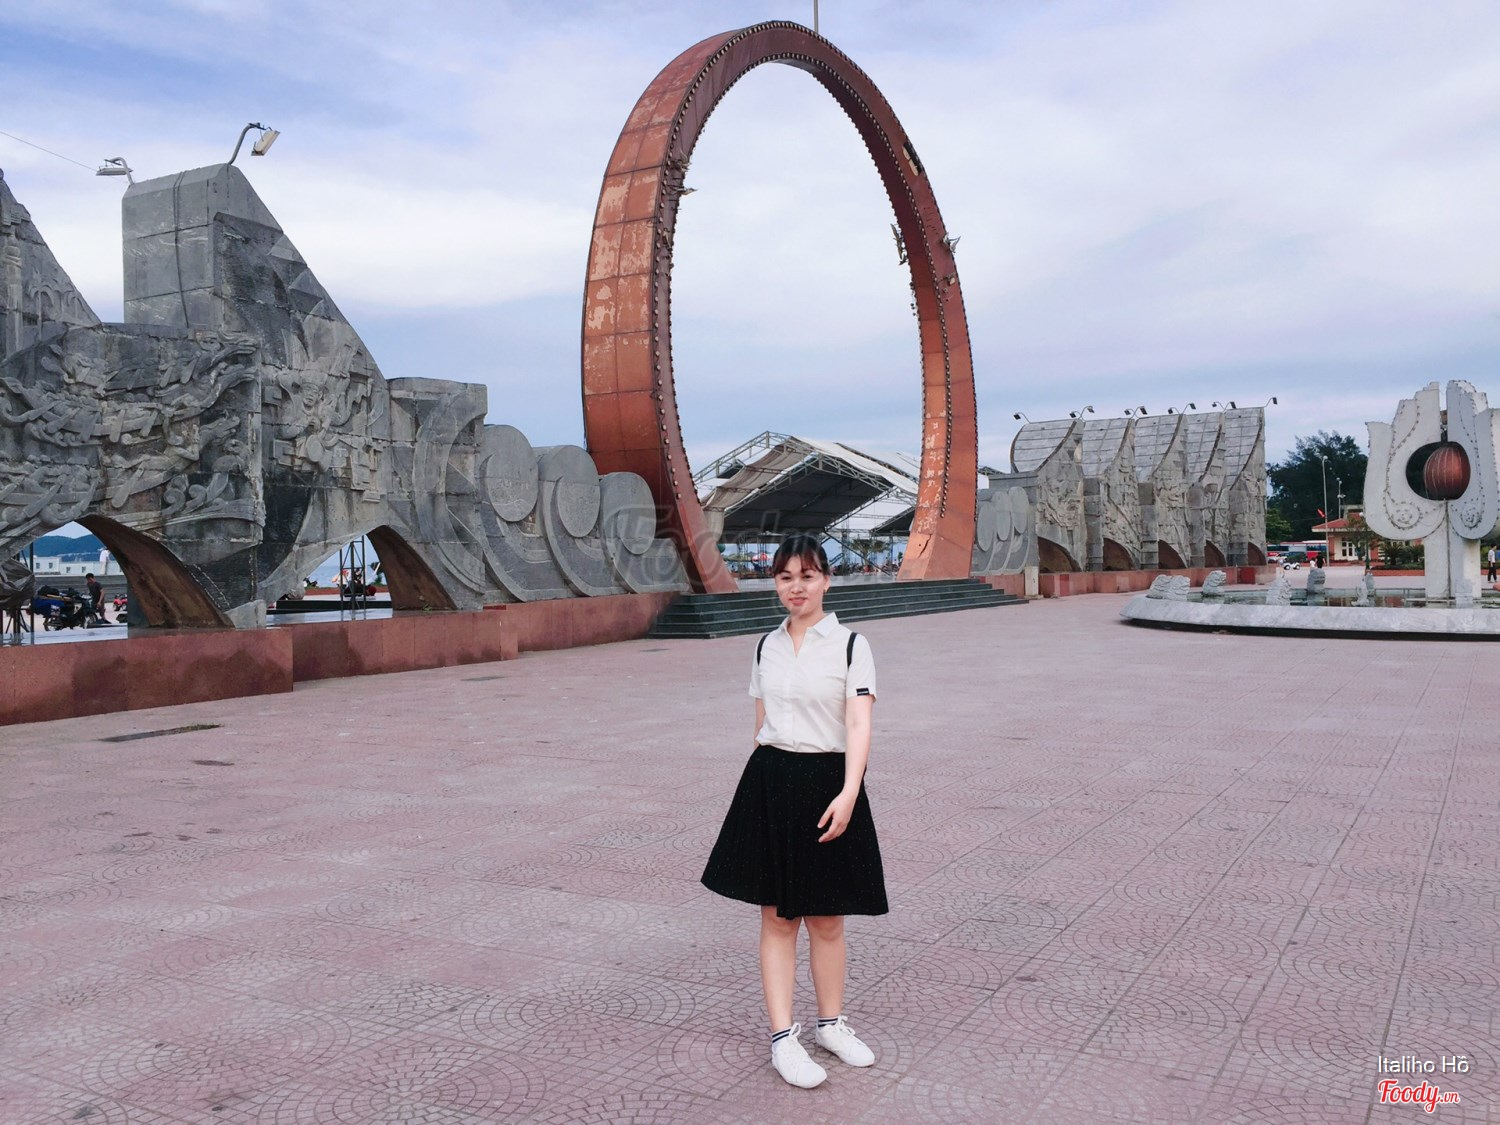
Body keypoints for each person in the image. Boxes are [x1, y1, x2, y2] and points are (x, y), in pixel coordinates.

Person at [701, 533, 887, 1090]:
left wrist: (850, 791)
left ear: (826, 580)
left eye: (806, 576)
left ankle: (831, 1025)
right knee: (778, 918)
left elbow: (858, 722)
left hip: (830, 782)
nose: (796, 587)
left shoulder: (851, 645)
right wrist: (767, 781)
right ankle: (783, 1037)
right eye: (785, 577)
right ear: (775, 583)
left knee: (828, 918)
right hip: (772, 782)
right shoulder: (766, 645)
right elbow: (761, 722)